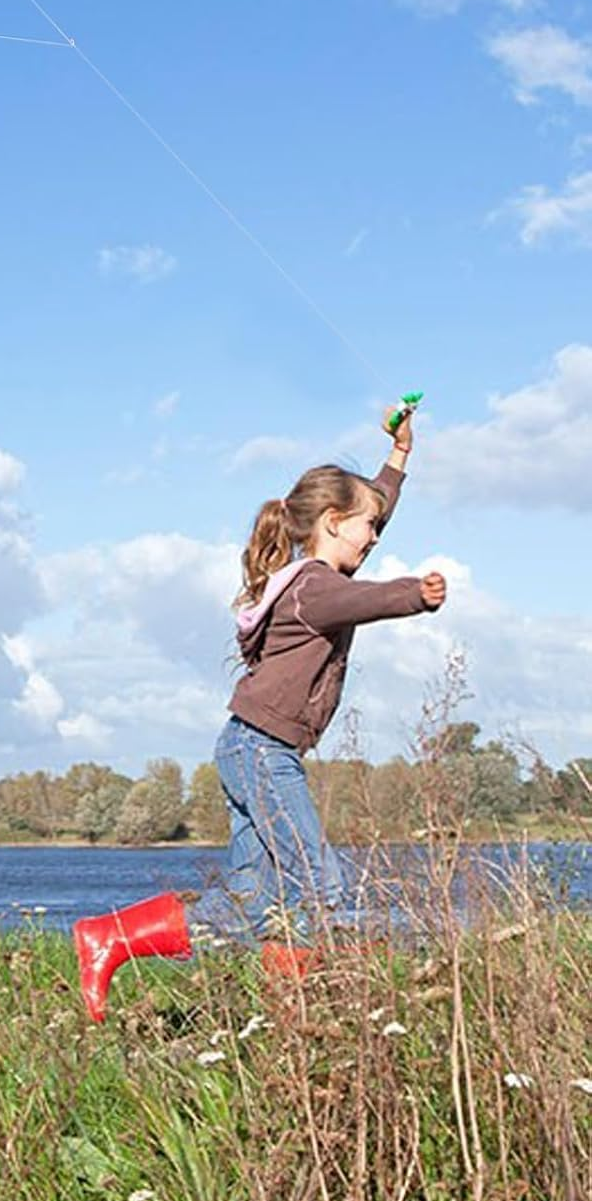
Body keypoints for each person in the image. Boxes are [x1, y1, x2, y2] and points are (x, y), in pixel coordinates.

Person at [72, 407, 447, 1021]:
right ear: (331, 522)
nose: (376, 537)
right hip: (262, 752)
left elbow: (374, 506)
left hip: (249, 747)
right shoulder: (316, 588)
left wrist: (400, 457)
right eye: (368, 529)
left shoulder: (307, 574)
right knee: (321, 885)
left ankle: (110, 939)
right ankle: (306, 1012)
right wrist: (417, 595)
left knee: (253, 902)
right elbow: (369, 599)